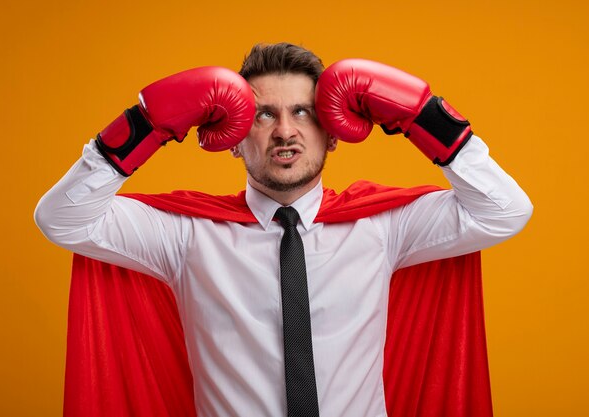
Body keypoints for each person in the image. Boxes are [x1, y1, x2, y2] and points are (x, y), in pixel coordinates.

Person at [35, 42, 533, 417]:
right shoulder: (184, 236)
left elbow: (503, 211)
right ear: (230, 137)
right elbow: (62, 219)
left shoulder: (385, 226)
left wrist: (422, 115)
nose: (285, 131)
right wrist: (146, 124)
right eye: (262, 114)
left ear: (333, 132)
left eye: (303, 112)